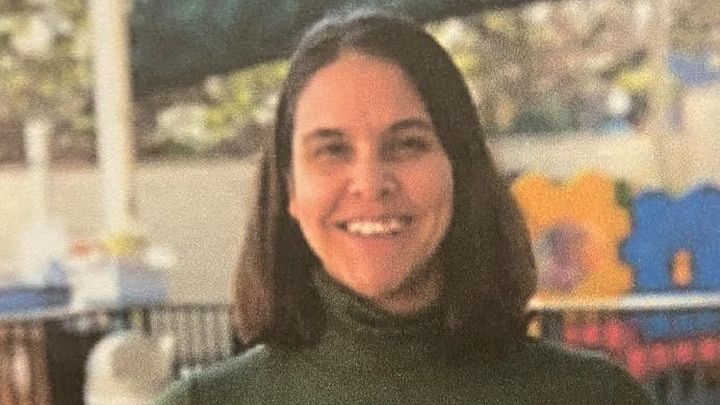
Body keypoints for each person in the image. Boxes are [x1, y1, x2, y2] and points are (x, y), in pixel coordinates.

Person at [156, 10, 653, 405]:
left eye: (407, 144)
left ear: (460, 168)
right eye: (332, 149)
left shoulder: (593, 397)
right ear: (289, 188)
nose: (370, 184)